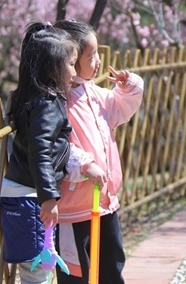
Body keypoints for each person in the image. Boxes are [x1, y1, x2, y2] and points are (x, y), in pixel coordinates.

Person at [53, 20, 144, 284]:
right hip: (73, 206)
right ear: (69, 59)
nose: (98, 61)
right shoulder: (60, 100)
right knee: (77, 271)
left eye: (97, 54)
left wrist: (129, 87)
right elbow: (56, 146)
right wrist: (83, 163)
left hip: (104, 201)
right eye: (91, 56)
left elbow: (121, 108)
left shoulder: (95, 95)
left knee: (111, 265)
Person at [0, 22, 78, 284]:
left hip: (20, 192)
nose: (74, 71)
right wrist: (48, 198)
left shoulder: (26, 96)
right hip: (32, 197)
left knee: (35, 269)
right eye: (70, 64)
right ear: (51, 67)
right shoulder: (47, 103)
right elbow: (40, 151)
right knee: (38, 273)